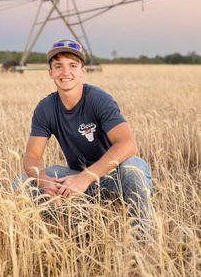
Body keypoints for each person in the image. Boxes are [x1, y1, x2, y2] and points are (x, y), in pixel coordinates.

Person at [13, 39, 153, 225]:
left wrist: (85, 178)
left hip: (113, 174)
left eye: (72, 65)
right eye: (58, 66)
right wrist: (44, 180)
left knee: (133, 168)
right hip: (74, 175)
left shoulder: (98, 99)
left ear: (83, 71)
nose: (65, 72)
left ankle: (142, 242)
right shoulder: (46, 107)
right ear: (50, 73)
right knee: (22, 183)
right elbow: (31, 155)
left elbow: (128, 144)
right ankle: (49, 237)